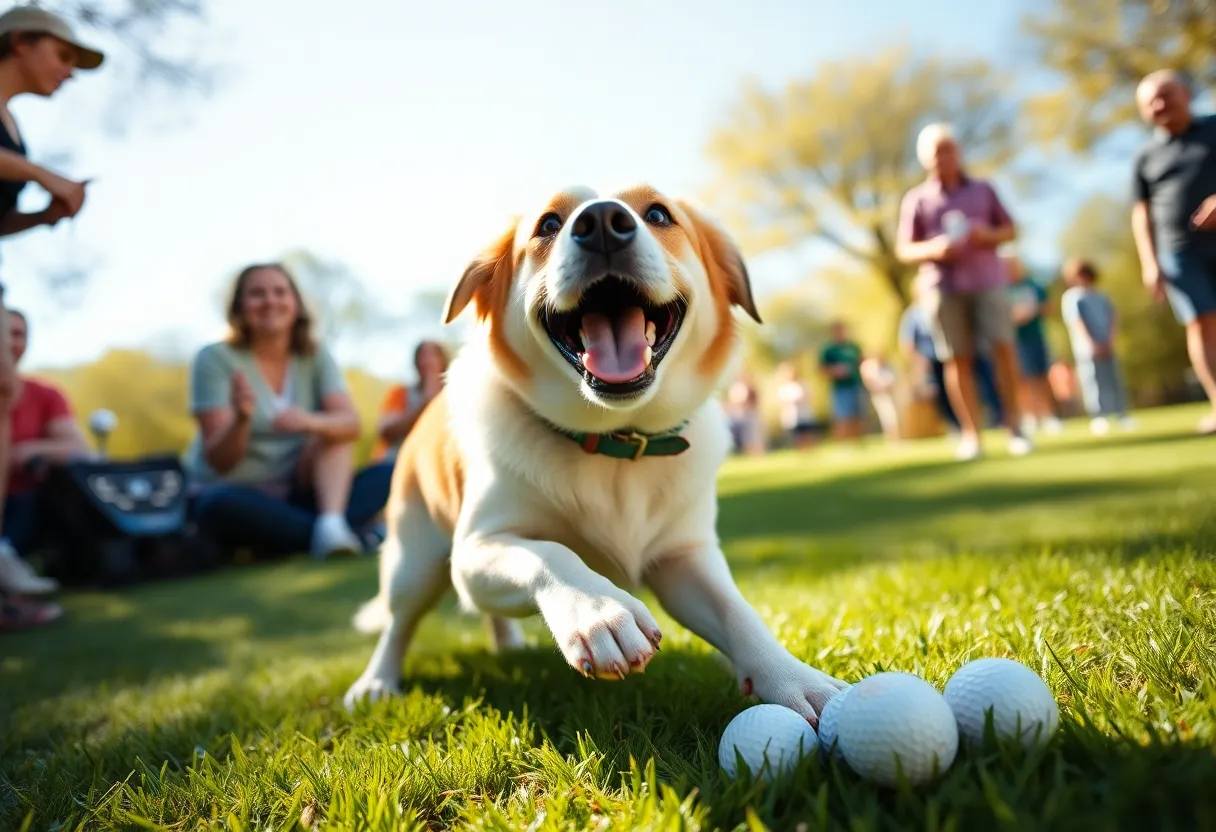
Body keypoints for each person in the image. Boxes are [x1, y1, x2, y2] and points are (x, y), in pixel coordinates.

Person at [0, 7, 101, 618]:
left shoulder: (13, 127)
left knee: (4, 389)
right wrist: (44, 176)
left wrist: (41, 216)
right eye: (63, 56)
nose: (69, 71)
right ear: (19, 43)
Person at [185, 263, 394, 560]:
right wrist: (241, 420)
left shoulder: (316, 355)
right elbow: (220, 462)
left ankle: (328, 526)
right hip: (237, 493)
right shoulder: (214, 359)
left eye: (280, 292)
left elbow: (351, 426)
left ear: (295, 303)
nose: (270, 301)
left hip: (303, 493)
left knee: (390, 472)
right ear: (239, 306)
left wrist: (310, 422)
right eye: (257, 294)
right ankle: (345, 534)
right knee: (218, 503)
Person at [896, 122, 1033, 460]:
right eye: (936, 151)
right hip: (943, 287)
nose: (943, 157)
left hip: (988, 281)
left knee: (1003, 349)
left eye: (948, 149)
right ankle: (971, 435)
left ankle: (1015, 426)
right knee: (956, 359)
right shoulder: (917, 199)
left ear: (958, 152)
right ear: (924, 158)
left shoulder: (984, 189)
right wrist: (934, 249)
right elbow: (904, 249)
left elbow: (1011, 229)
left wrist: (988, 235)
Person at [1130, 70, 1216, 434]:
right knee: (1201, 323)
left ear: (1186, 93)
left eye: (1166, 94)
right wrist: (1150, 262)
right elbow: (1141, 213)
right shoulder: (1145, 157)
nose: (1159, 104)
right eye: (1150, 101)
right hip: (1180, 252)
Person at [3, 309, 90, 560]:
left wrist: (29, 450)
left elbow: (80, 450)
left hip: (24, 501)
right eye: (3, 334)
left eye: (17, 334)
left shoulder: (45, 396)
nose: (9, 342)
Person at [1060, 259, 1135, 435]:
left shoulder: (1101, 295)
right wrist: (1091, 343)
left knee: (1114, 379)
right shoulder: (1072, 297)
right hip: (1087, 348)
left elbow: (1112, 316)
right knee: (1093, 381)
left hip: (1107, 343)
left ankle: (1122, 414)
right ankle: (1099, 416)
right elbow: (1076, 321)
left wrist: (1110, 339)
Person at [1005, 253, 1061, 435]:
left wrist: (1033, 310)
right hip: (1014, 341)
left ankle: (1048, 414)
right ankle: (1030, 416)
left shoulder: (1033, 285)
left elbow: (1049, 306)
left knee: (1042, 375)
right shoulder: (1002, 289)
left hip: (1036, 337)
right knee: (1022, 379)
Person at [373, 339, 448, 462]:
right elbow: (385, 431)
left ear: (443, 360)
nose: (428, 361)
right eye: (423, 355)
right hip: (395, 462)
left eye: (433, 355)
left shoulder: (454, 395)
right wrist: (425, 403)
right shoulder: (400, 393)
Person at [818, 320, 866, 440]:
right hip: (840, 388)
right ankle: (844, 440)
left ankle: (857, 440)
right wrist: (835, 371)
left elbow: (862, 361)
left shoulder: (853, 346)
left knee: (859, 415)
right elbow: (822, 369)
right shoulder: (829, 350)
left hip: (856, 384)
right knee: (843, 417)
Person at [774, 362, 819, 449]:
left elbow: (809, 397)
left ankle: (810, 449)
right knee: (796, 437)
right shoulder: (784, 388)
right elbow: (781, 402)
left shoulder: (803, 384)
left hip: (804, 415)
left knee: (807, 434)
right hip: (792, 417)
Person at [860, 352, 901, 441]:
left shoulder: (887, 367)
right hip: (879, 395)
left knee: (892, 416)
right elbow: (870, 383)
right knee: (886, 417)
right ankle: (890, 437)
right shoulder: (869, 367)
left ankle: (894, 437)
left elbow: (893, 380)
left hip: (889, 394)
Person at [724, 371, 764, 455]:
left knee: (751, 436)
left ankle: (754, 451)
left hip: (748, 417)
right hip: (737, 417)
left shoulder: (749, 388)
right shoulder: (735, 387)